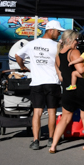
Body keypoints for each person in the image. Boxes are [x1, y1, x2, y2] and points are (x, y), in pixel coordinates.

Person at [15, 20, 65, 150]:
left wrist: (22, 66)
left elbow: (18, 55)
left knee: (37, 112)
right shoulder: (57, 45)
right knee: (52, 111)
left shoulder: (32, 44)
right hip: (52, 82)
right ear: (51, 30)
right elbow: (60, 63)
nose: (59, 34)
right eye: (58, 31)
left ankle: (36, 141)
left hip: (37, 82)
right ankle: (51, 139)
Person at [49, 31, 84, 153]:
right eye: (76, 40)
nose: (78, 42)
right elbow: (81, 70)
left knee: (64, 119)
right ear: (69, 40)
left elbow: (61, 77)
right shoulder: (74, 52)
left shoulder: (58, 56)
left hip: (68, 90)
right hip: (83, 89)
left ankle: (53, 146)